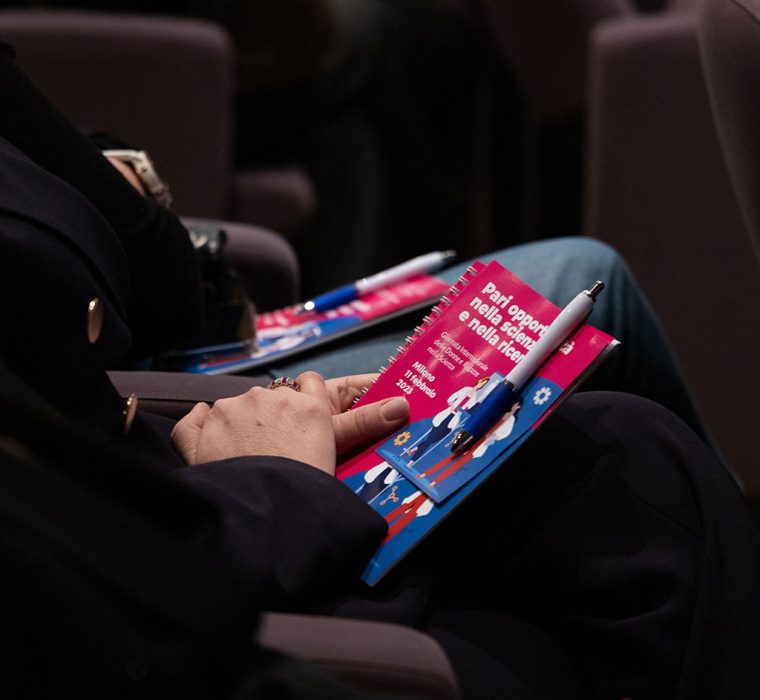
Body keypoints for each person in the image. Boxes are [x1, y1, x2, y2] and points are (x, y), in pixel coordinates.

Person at [4, 39, 759, 698]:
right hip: (211, 563)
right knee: (598, 331)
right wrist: (267, 476)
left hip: (167, 471)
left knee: (632, 450)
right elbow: (165, 285)